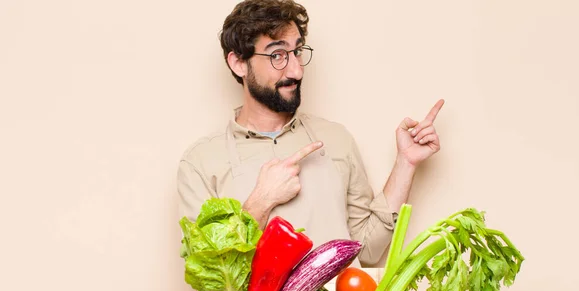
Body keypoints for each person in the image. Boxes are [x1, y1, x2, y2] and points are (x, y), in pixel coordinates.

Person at [177, 0, 444, 267]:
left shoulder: (337, 140)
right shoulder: (200, 162)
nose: (296, 70)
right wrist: (260, 202)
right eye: (277, 55)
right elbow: (209, 274)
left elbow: (365, 251)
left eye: (298, 51)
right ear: (239, 64)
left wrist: (405, 164)